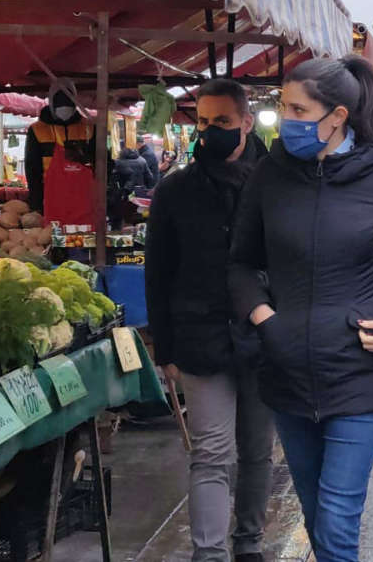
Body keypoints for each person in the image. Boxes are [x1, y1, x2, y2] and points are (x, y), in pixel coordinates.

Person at [228, 56, 373, 562]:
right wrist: (266, 320)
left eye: (296, 109)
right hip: (285, 372)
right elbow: (240, 265)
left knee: (336, 514)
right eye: (282, 107)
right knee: (313, 510)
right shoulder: (268, 177)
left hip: (360, 372)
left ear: (337, 116)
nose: (284, 119)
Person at [146, 78, 273, 562]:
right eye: (202, 122)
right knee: (212, 453)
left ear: (245, 121)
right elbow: (157, 273)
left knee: (258, 451)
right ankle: (210, 553)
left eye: (221, 121)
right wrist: (166, 349)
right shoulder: (174, 190)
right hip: (200, 340)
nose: (209, 131)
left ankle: (249, 544)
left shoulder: (274, 183)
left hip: (262, 337)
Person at [25, 81, 98, 221]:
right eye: (60, 104)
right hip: (51, 197)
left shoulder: (89, 127)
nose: (65, 108)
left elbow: (100, 162)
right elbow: (32, 169)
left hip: (83, 198)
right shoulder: (37, 130)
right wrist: (36, 203)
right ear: (52, 103)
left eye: (69, 104)